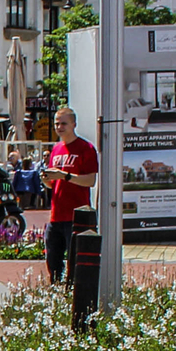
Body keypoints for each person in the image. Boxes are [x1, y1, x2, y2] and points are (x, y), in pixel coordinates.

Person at [41, 106, 97, 285]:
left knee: (76, 261)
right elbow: (53, 184)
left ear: (74, 124)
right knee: (53, 260)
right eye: (56, 123)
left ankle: (73, 294)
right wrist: (46, 180)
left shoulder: (85, 148)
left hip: (77, 215)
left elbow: (90, 181)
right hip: (56, 215)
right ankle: (56, 292)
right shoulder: (55, 149)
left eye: (63, 123)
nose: (59, 127)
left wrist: (65, 176)